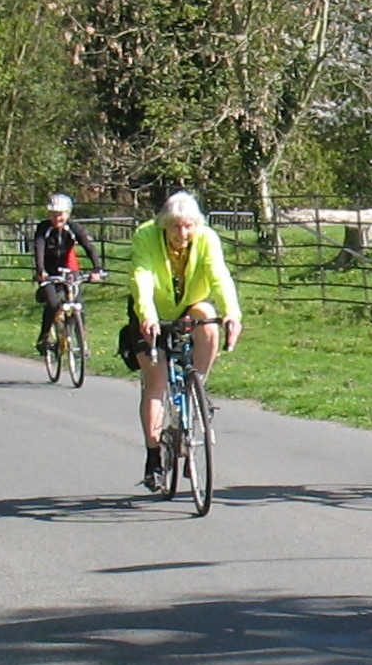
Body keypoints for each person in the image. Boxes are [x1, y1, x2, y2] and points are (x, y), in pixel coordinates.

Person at [119, 191, 242, 490]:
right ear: (164, 224)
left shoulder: (207, 238)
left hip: (190, 305)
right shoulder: (146, 236)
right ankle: (153, 458)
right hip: (151, 310)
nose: (182, 233)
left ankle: (197, 387)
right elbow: (142, 276)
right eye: (175, 226)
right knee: (156, 383)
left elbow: (219, 276)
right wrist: (147, 315)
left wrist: (232, 314)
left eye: (188, 226)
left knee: (209, 321)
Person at [31, 193, 105, 353]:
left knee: (78, 304)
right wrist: (40, 270)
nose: (57, 218)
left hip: (68, 269)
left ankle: (81, 342)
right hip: (48, 271)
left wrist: (97, 268)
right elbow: (39, 248)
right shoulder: (44, 228)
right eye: (53, 214)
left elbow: (88, 247)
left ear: (68, 213)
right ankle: (43, 337)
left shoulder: (73, 228)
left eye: (60, 215)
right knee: (53, 304)